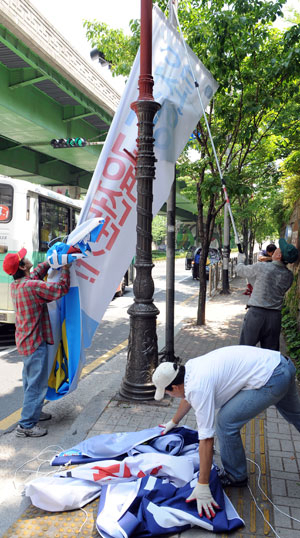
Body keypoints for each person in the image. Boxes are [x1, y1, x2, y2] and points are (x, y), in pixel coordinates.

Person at [152, 347, 300, 519]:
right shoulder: (190, 369)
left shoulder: (198, 387)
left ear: (175, 387)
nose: (170, 396)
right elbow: (187, 396)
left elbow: (206, 439)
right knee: (296, 416)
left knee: (225, 423)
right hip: (282, 364)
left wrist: (202, 484)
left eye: (168, 392)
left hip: (272, 378)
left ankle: (236, 476)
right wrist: (174, 422)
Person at [3, 248, 70, 438]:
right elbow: (61, 289)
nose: (27, 257)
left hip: (25, 341)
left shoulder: (18, 285)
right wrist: (65, 267)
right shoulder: (31, 286)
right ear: (22, 266)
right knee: (36, 384)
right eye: (23, 258)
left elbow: (36, 274)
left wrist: (49, 262)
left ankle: (34, 412)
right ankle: (26, 425)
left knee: (29, 381)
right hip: (34, 342)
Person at [236, 238, 298, 350]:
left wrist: (240, 260)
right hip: (274, 318)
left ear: (279, 256)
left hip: (256, 315)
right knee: (270, 356)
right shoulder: (289, 276)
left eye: (278, 249)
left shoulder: (262, 267)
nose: (276, 249)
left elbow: (241, 271)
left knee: (244, 351)